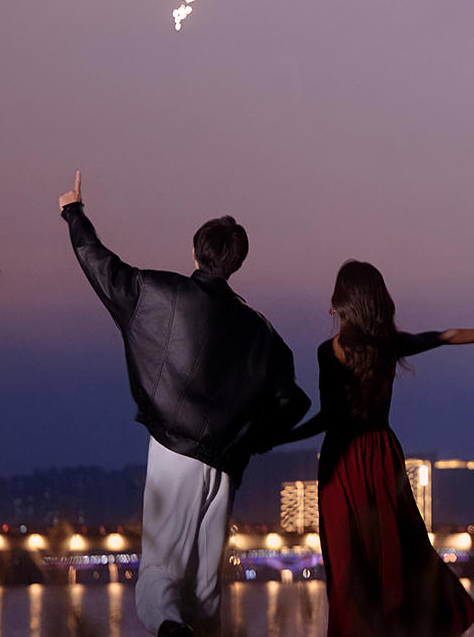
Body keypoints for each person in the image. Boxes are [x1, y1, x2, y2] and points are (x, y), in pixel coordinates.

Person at [58, 172, 311, 637]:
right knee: (206, 588)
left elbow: (100, 265)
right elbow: (293, 402)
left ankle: (171, 631)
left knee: (159, 575)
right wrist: (249, 439)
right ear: (237, 262)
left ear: (195, 252)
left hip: (175, 451)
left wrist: (73, 212)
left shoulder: (159, 293)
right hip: (226, 465)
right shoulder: (264, 332)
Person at [290, 260, 474, 637]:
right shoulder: (390, 344)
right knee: (401, 548)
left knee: (347, 558)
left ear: (343, 301)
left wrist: (281, 438)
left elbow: (328, 417)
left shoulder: (328, 351)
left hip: (342, 461)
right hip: (382, 456)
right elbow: (445, 335)